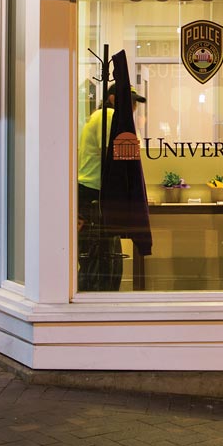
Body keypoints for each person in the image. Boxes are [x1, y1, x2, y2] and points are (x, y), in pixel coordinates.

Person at [76, 81, 146, 291]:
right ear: (114, 99)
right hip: (95, 193)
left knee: (100, 257)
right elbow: (118, 156)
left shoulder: (104, 117)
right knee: (102, 260)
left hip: (93, 191)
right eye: (131, 103)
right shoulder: (107, 116)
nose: (134, 108)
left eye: (135, 104)